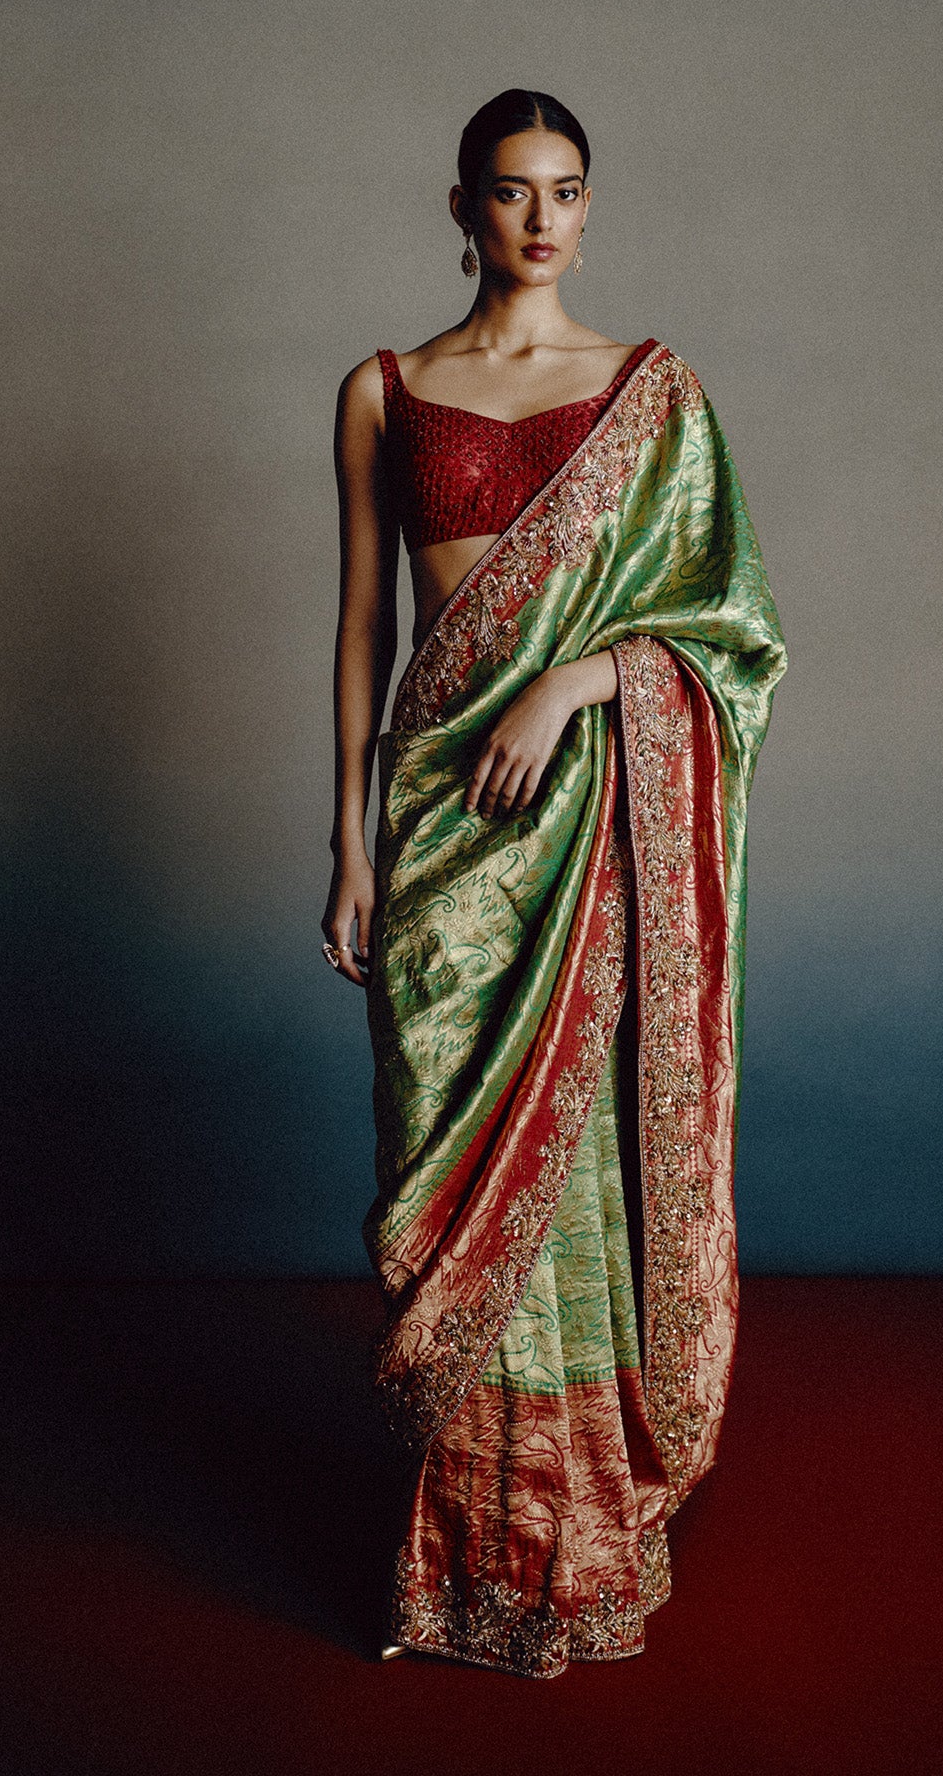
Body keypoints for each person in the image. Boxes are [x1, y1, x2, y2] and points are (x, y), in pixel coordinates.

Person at [322, 87, 786, 1679]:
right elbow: (364, 634)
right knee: (448, 1187)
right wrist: (349, 846)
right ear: (460, 205)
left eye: (568, 189)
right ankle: (462, 1541)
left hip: (587, 821)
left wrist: (579, 682)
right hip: (445, 826)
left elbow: (729, 638)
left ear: (592, 208)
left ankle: (560, 1547)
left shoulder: (651, 398)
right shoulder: (386, 390)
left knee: (576, 1185)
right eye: (513, 191)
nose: (542, 217)